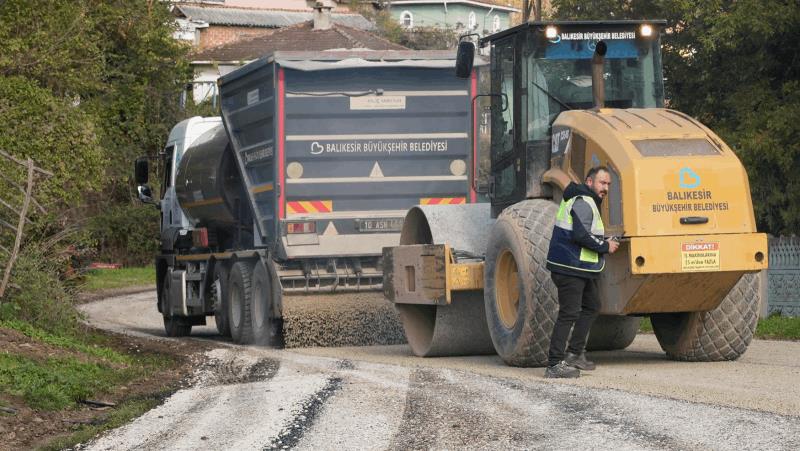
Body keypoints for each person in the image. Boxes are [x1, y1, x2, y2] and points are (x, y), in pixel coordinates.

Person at [544, 166, 619, 378]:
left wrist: (603, 242)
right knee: (569, 313)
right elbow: (580, 235)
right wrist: (605, 247)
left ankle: (575, 354)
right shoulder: (583, 200)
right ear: (589, 182)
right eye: (602, 183)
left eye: (608, 184)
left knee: (592, 305)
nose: (605, 188)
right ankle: (554, 364)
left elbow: (584, 233)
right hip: (569, 267)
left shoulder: (586, 200)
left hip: (579, 267)